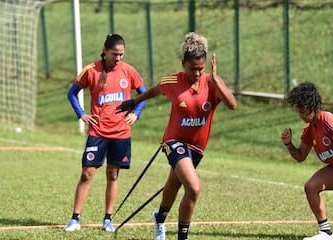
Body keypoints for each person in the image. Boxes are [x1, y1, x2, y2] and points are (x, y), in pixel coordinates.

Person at [116, 32, 237, 240]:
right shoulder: (174, 81)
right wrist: (134, 102)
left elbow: (232, 105)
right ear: (183, 64)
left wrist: (216, 80)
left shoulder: (212, 83)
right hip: (174, 141)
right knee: (194, 187)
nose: (197, 74)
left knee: (174, 184)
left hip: (197, 147)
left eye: (201, 69)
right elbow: (155, 90)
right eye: (192, 69)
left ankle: (159, 219)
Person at [63, 34, 147, 232]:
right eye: (114, 54)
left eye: (121, 54)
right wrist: (81, 114)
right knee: (87, 173)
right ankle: (75, 219)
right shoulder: (91, 71)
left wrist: (136, 114)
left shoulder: (128, 71)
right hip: (98, 132)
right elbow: (71, 93)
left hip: (121, 133)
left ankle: (108, 219)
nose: (118, 58)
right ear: (105, 50)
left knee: (113, 175)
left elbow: (143, 95)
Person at [281, 82, 333, 240]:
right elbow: (300, 156)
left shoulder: (329, 122)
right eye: (298, 111)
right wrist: (288, 144)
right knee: (311, 187)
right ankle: (326, 234)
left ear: (312, 107)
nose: (300, 116)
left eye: (302, 111)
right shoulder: (310, 129)